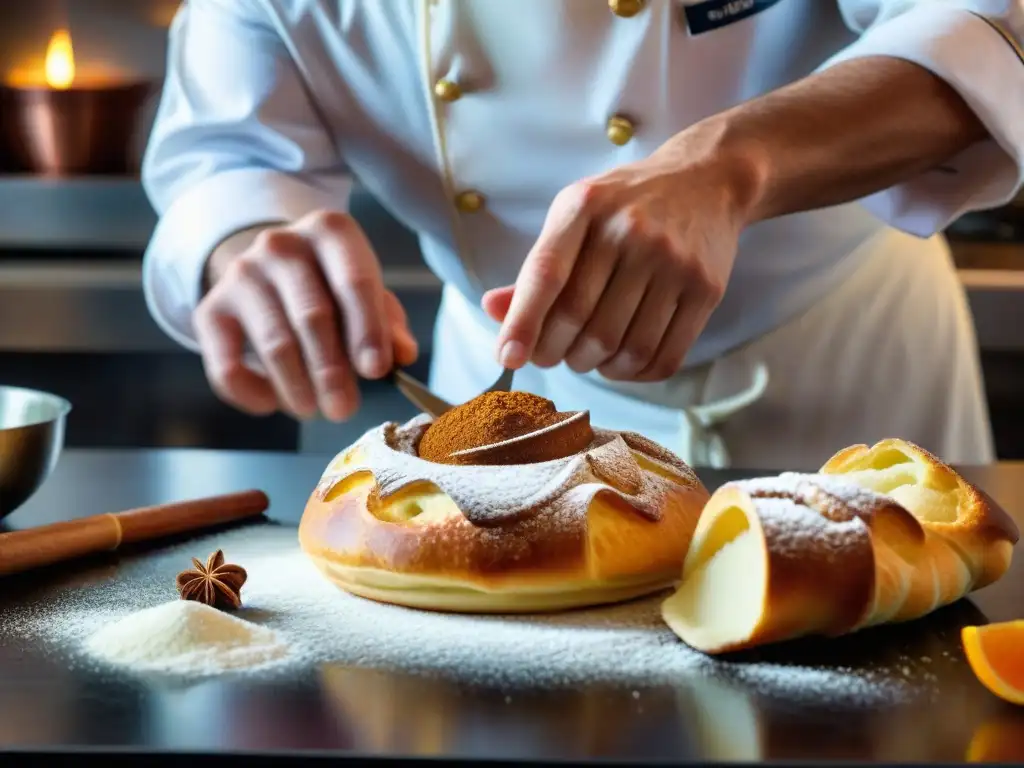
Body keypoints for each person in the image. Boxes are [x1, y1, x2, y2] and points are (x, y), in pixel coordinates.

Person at [141, 0, 1024, 470]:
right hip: (493, 415)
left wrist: (730, 164)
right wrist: (245, 242)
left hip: (840, 382)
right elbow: (226, 149)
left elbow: (989, 24)